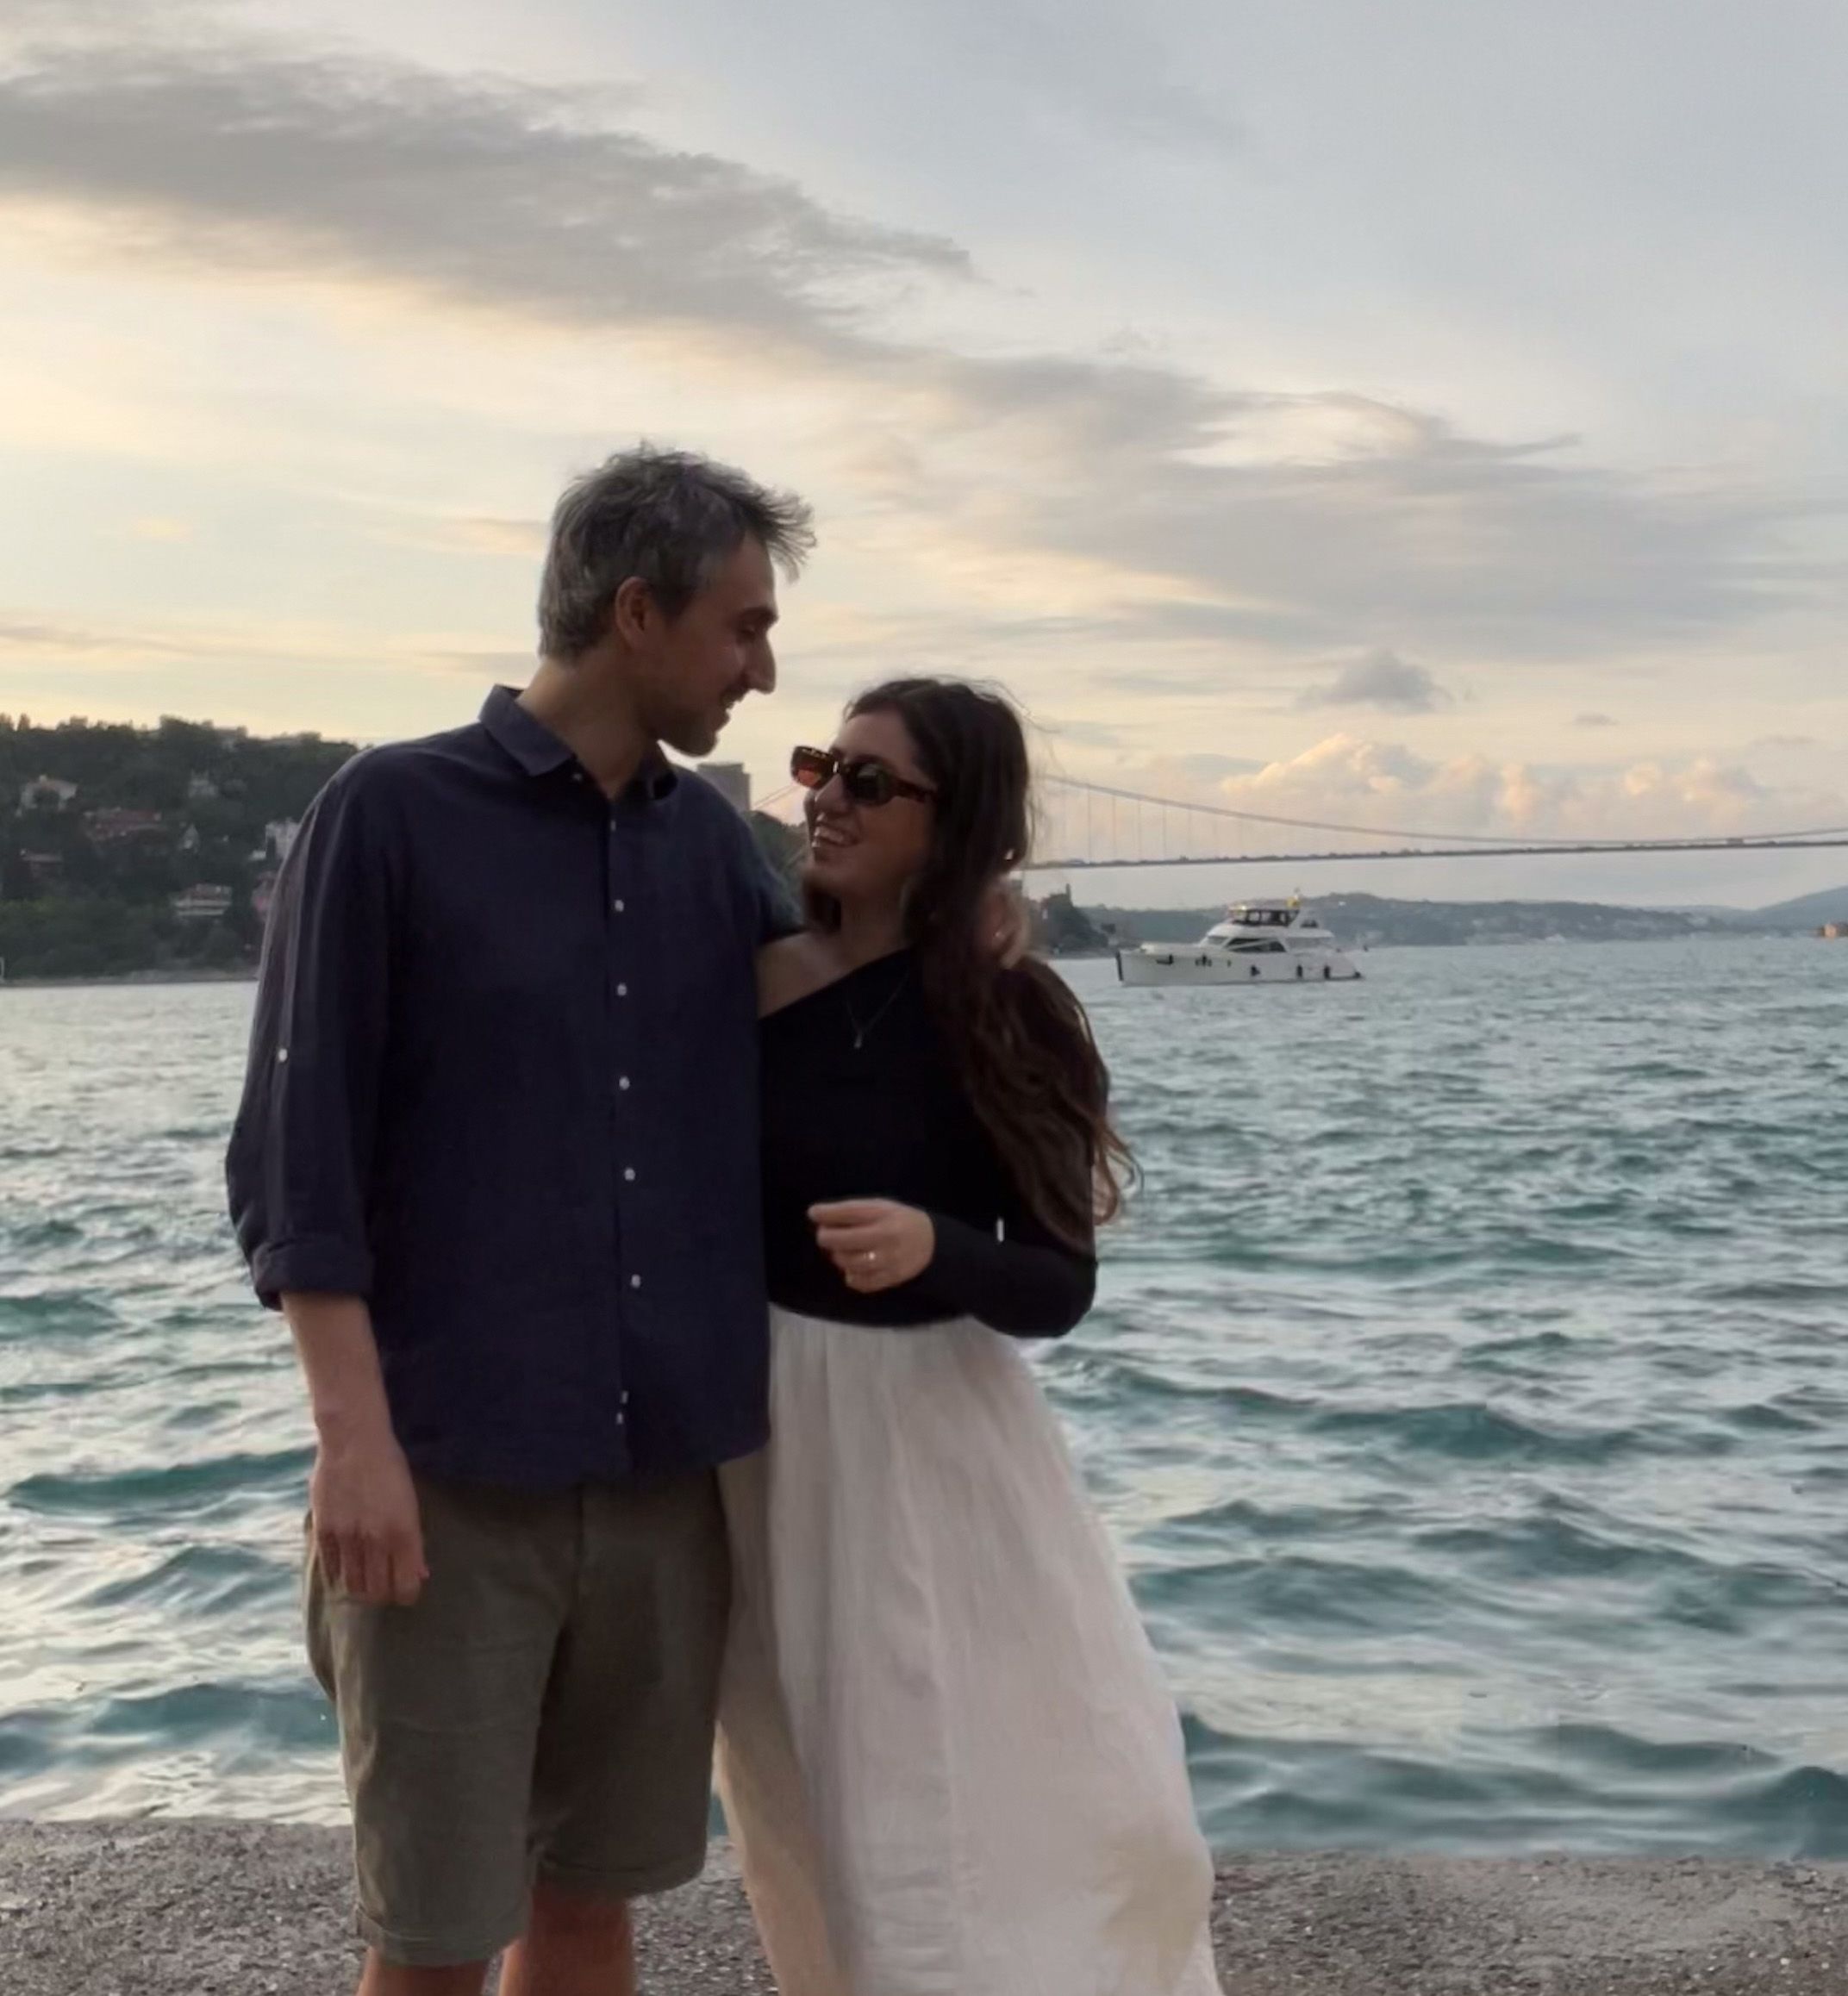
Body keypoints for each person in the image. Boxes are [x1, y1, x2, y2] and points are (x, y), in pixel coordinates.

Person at [225, 446, 812, 1996]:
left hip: (664, 1479)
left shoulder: (715, 853)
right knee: (430, 1940)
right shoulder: (391, 812)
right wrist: (355, 1444)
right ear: (638, 614)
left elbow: (837, 1051)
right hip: (445, 1483)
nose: (764, 667)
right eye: (743, 627)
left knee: (593, 1906)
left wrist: (962, 909)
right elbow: (299, 1160)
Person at [718, 678, 1223, 1995]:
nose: (827, 796)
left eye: (873, 782)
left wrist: (938, 1246)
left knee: (1100, 1801)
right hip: (767, 1443)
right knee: (835, 1822)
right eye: (827, 765)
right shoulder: (750, 983)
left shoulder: (1018, 1015)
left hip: (944, 1440)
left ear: (961, 827)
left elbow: (1059, 1282)